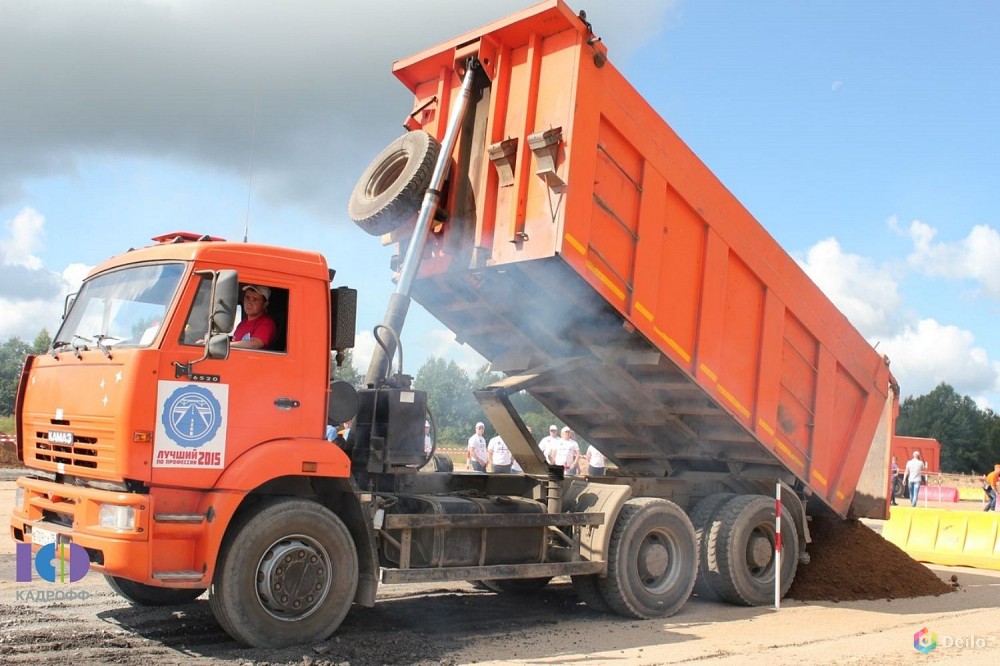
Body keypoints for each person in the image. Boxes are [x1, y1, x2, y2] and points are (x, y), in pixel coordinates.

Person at [232, 285, 276, 349]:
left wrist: (226, 345)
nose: (249, 303)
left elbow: (254, 344)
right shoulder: (242, 323)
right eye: (247, 298)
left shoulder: (267, 324)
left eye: (255, 299)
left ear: (265, 304)